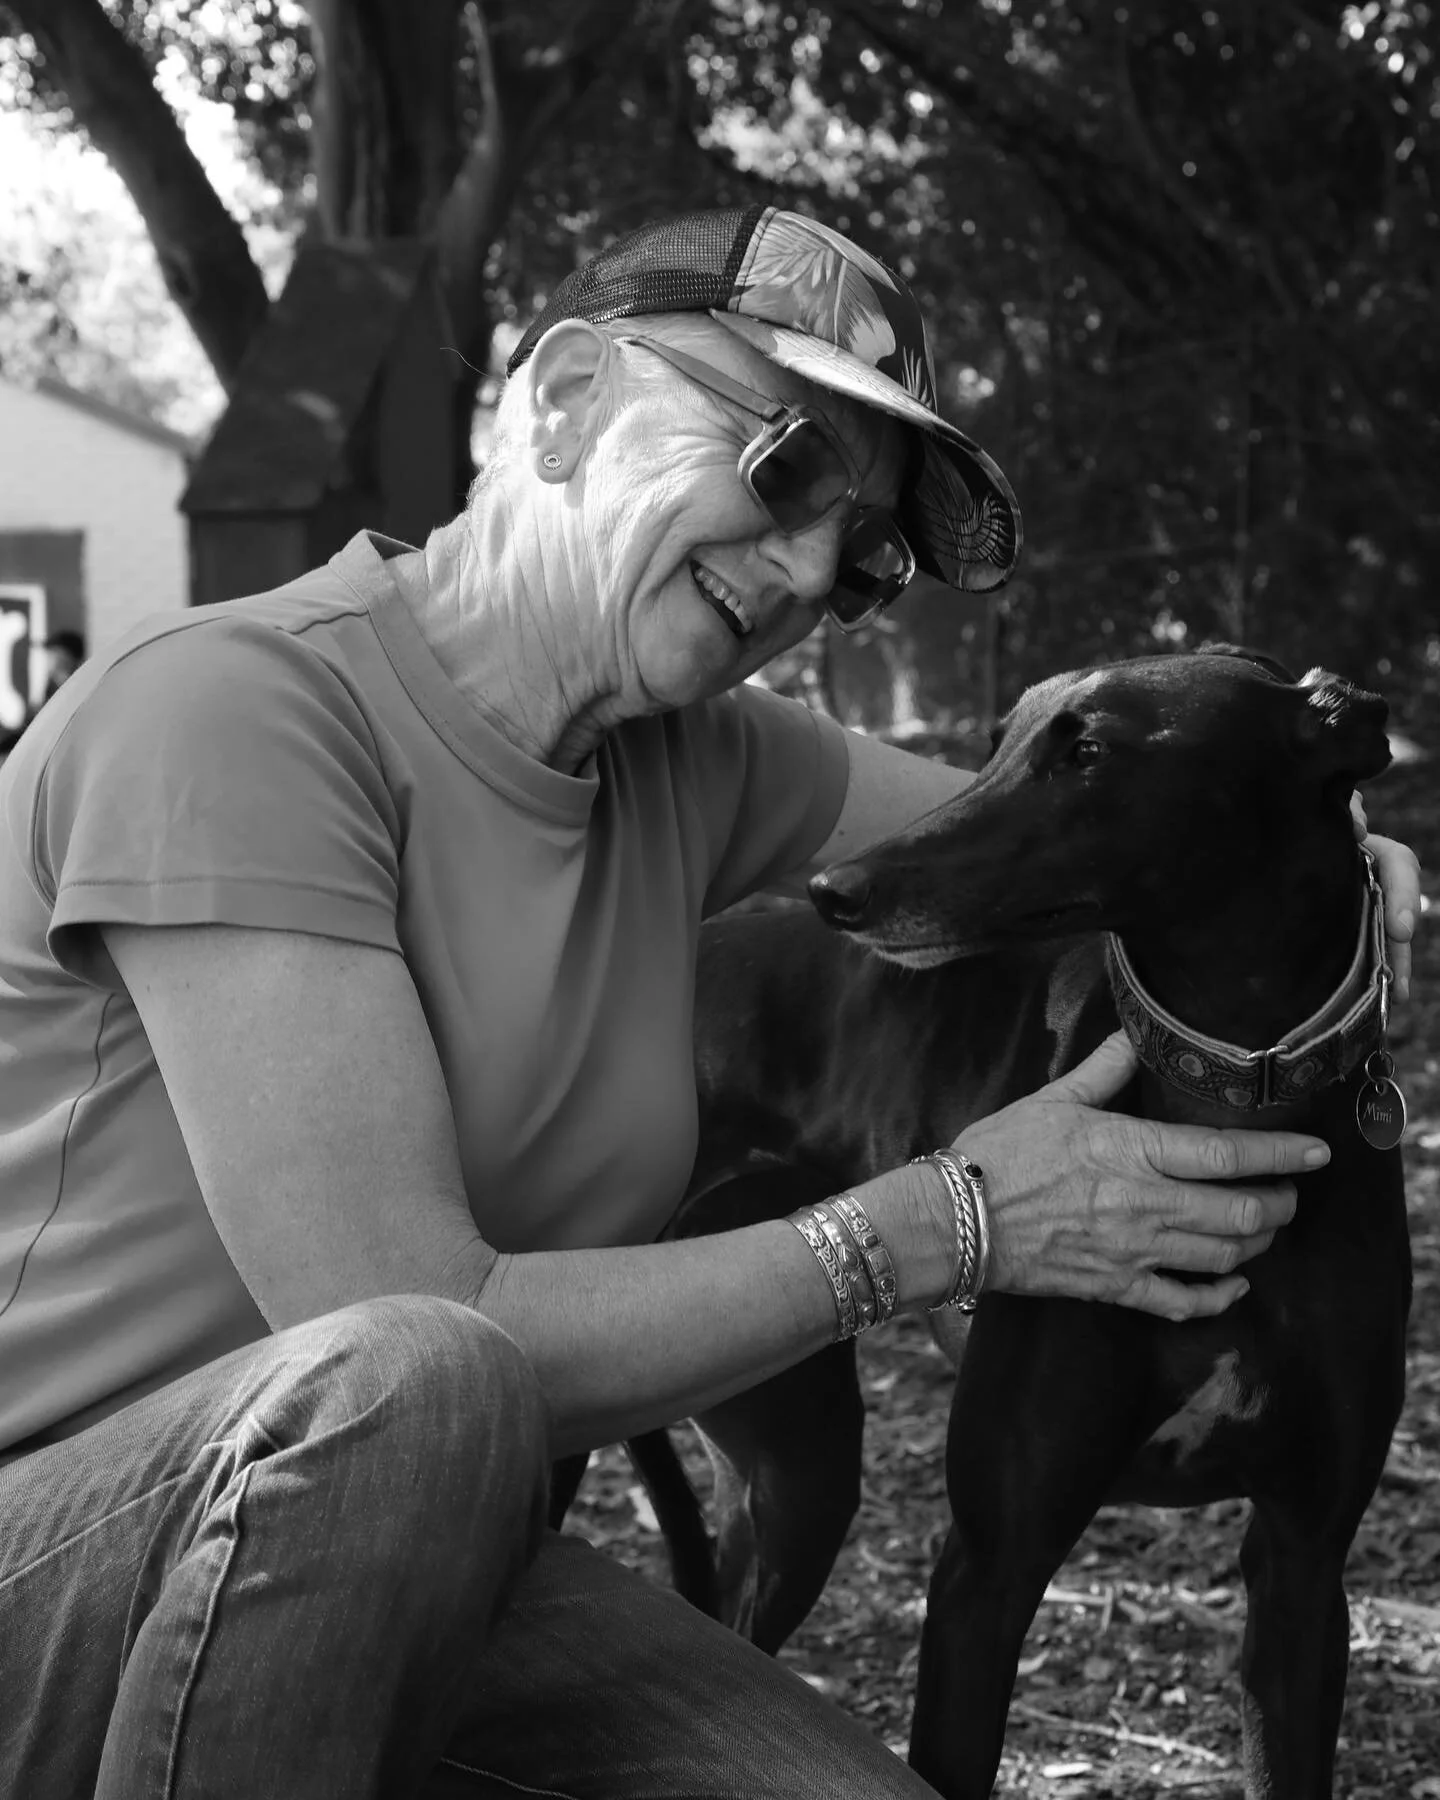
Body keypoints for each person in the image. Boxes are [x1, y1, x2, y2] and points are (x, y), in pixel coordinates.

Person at [0, 205, 1420, 1799]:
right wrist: (945, 1221)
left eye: (870, 556)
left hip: (415, 1576)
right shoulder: (233, 714)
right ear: (565, 400)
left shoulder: (695, 762)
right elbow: (397, 1320)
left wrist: (1348, 866)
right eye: (790, 460)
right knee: (412, 1374)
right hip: (55, 1569)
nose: (814, 565)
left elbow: (1096, 825)